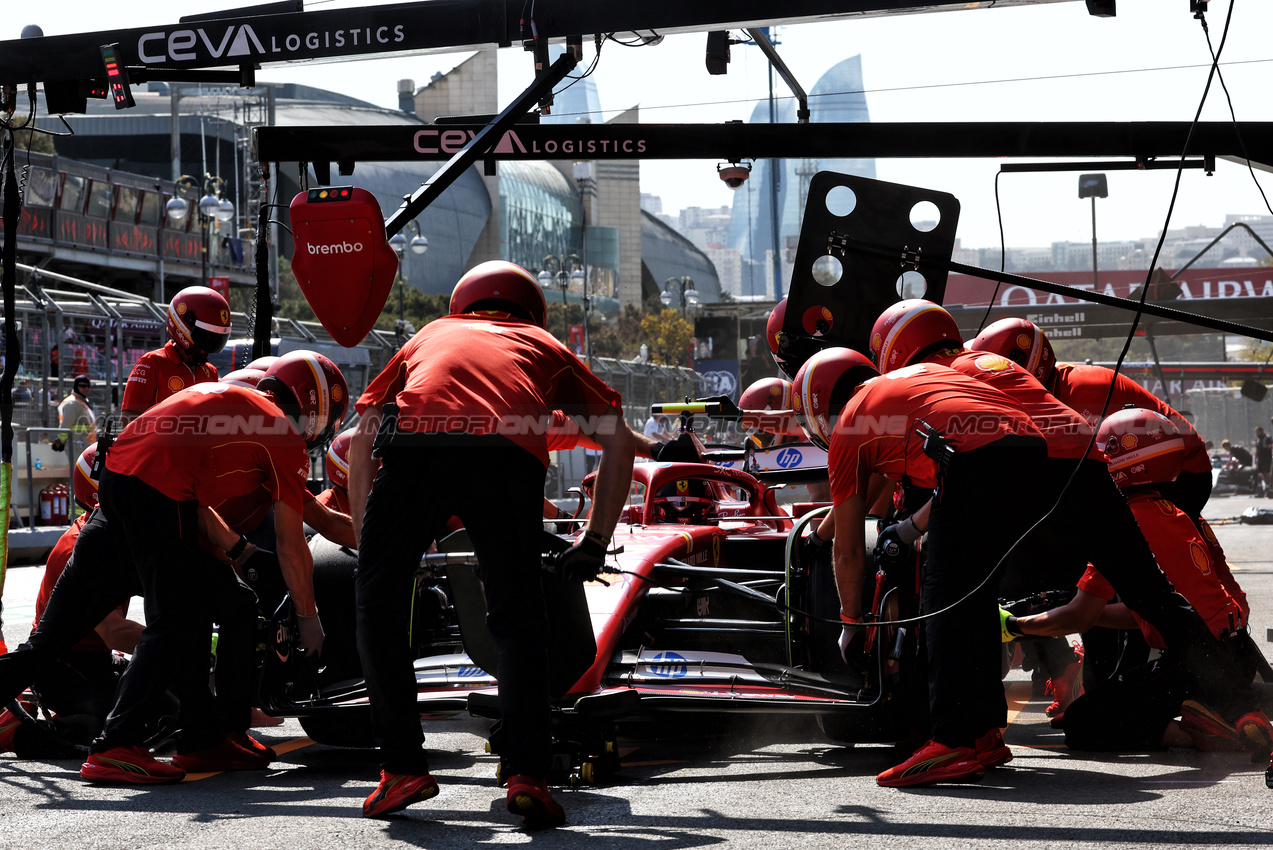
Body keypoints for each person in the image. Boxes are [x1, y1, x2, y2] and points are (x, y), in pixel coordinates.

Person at [871, 300, 1270, 751]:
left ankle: (1197, 711)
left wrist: (1022, 622)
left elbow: (1084, 608)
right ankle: (1222, 697)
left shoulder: (1095, 435)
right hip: (1216, 622)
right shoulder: (1178, 520)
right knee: (1138, 592)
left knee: (1094, 678)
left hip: (1164, 524)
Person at [348, 261, 638, 824]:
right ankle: (527, 773)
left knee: (378, 604)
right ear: (532, 310)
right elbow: (618, 441)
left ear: (463, 303)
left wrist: (369, 546)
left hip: (416, 445)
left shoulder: (431, 332)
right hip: (507, 455)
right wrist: (595, 541)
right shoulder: (544, 344)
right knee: (518, 616)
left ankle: (402, 768)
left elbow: (364, 436)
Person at [0, 353, 347, 784]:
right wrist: (308, 617)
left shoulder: (225, 402)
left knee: (53, 639)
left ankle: (207, 735)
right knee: (179, 620)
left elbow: (187, 491)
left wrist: (236, 552)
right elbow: (292, 544)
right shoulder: (277, 433)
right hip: (155, 499)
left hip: (118, 493)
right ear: (315, 413)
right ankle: (117, 745)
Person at [796, 347, 1048, 787]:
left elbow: (849, 550)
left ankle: (949, 740)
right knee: (975, 596)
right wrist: (910, 530)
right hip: (1032, 448)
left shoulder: (852, 426)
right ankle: (985, 731)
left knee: (944, 598)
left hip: (978, 461)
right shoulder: (905, 389)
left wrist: (851, 622)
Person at [1001, 407, 1266, 754]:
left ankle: (1199, 732)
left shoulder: (1120, 527)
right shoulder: (1185, 516)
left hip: (1192, 661)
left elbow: (1078, 616)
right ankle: (1238, 709)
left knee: (1083, 723)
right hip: (1237, 651)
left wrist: (1015, 625)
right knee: (1149, 681)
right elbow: (1147, 610)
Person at [970, 318, 1214, 519]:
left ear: (1026, 365)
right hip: (1151, 470)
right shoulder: (1054, 387)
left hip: (1181, 476)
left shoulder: (1082, 391)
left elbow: (1077, 467)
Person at [0, 444, 149, 757]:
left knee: (163, 714)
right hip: (63, 663)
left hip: (96, 658)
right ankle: (15, 732)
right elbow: (114, 631)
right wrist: (183, 641)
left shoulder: (121, 535)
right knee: (99, 728)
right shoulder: (85, 547)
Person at [120, 286, 230, 426]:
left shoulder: (211, 372)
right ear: (183, 326)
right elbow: (128, 419)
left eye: (216, 340)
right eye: (205, 338)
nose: (207, 349)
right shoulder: (152, 363)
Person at [51, 374, 97, 452]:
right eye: (83, 386)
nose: (86, 388)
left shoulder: (82, 402)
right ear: (76, 387)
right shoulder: (72, 403)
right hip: (77, 445)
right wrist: (60, 441)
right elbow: (66, 425)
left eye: (88, 386)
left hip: (84, 445)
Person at [1254, 426, 1271, 495]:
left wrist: (1266, 446)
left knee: (1267, 472)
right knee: (1262, 473)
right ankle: (1265, 486)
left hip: (1267, 458)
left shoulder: (1267, 438)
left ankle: (1270, 484)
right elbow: (1257, 449)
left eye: (1258, 432)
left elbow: (1271, 445)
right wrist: (1256, 458)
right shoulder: (1258, 440)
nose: (1257, 433)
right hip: (1260, 458)